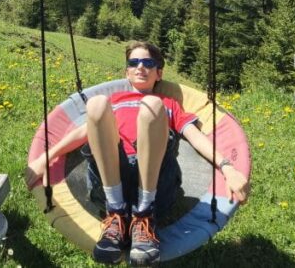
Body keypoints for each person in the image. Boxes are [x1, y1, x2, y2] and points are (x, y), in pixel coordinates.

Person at [26, 41, 250, 266]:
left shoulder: (168, 104)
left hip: (156, 180)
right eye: (134, 63)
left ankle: (144, 216)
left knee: (151, 105)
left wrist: (227, 167)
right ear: (127, 72)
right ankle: (116, 214)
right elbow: (83, 133)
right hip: (112, 174)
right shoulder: (113, 101)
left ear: (158, 73)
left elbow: (196, 137)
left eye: (148, 63)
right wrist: (46, 157)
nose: (140, 67)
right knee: (95, 105)